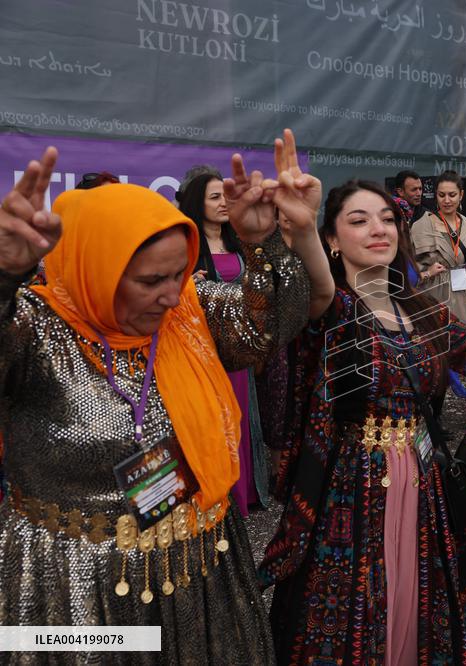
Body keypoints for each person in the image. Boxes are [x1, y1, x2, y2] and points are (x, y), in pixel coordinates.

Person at [0, 135, 321, 663]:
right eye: (152, 280)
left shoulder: (185, 313)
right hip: (76, 591)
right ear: (92, 268)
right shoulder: (33, 331)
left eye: (179, 273)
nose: (173, 293)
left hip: (198, 569)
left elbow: (271, 327)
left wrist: (266, 245)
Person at [260, 179, 466, 664]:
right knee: (353, 611)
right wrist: (301, 230)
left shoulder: (418, 309)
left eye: (387, 219)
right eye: (359, 220)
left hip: (421, 480)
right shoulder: (331, 307)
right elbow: (318, 286)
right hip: (351, 489)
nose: (378, 229)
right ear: (331, 239)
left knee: (415, 602)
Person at [178, 172, 268, 517]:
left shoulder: (240, 241)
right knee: (213, 422)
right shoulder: (186, 245)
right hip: (203, 352)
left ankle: (244, 492)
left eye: (226, 197)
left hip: (238, 348)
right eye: (215, 197)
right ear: (197, 202)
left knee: (241, 417)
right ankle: (216, 494)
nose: (223, 204)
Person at [411, 171, 466, 324]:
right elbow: (407, 267)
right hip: (433, 292)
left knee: (462, 336)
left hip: (461, 290)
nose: (447, 200)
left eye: (452, 195)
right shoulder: (421, 226)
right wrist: (428, 273)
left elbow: (462, 255)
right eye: (442, 195)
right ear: (436, 195)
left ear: (461, 195)